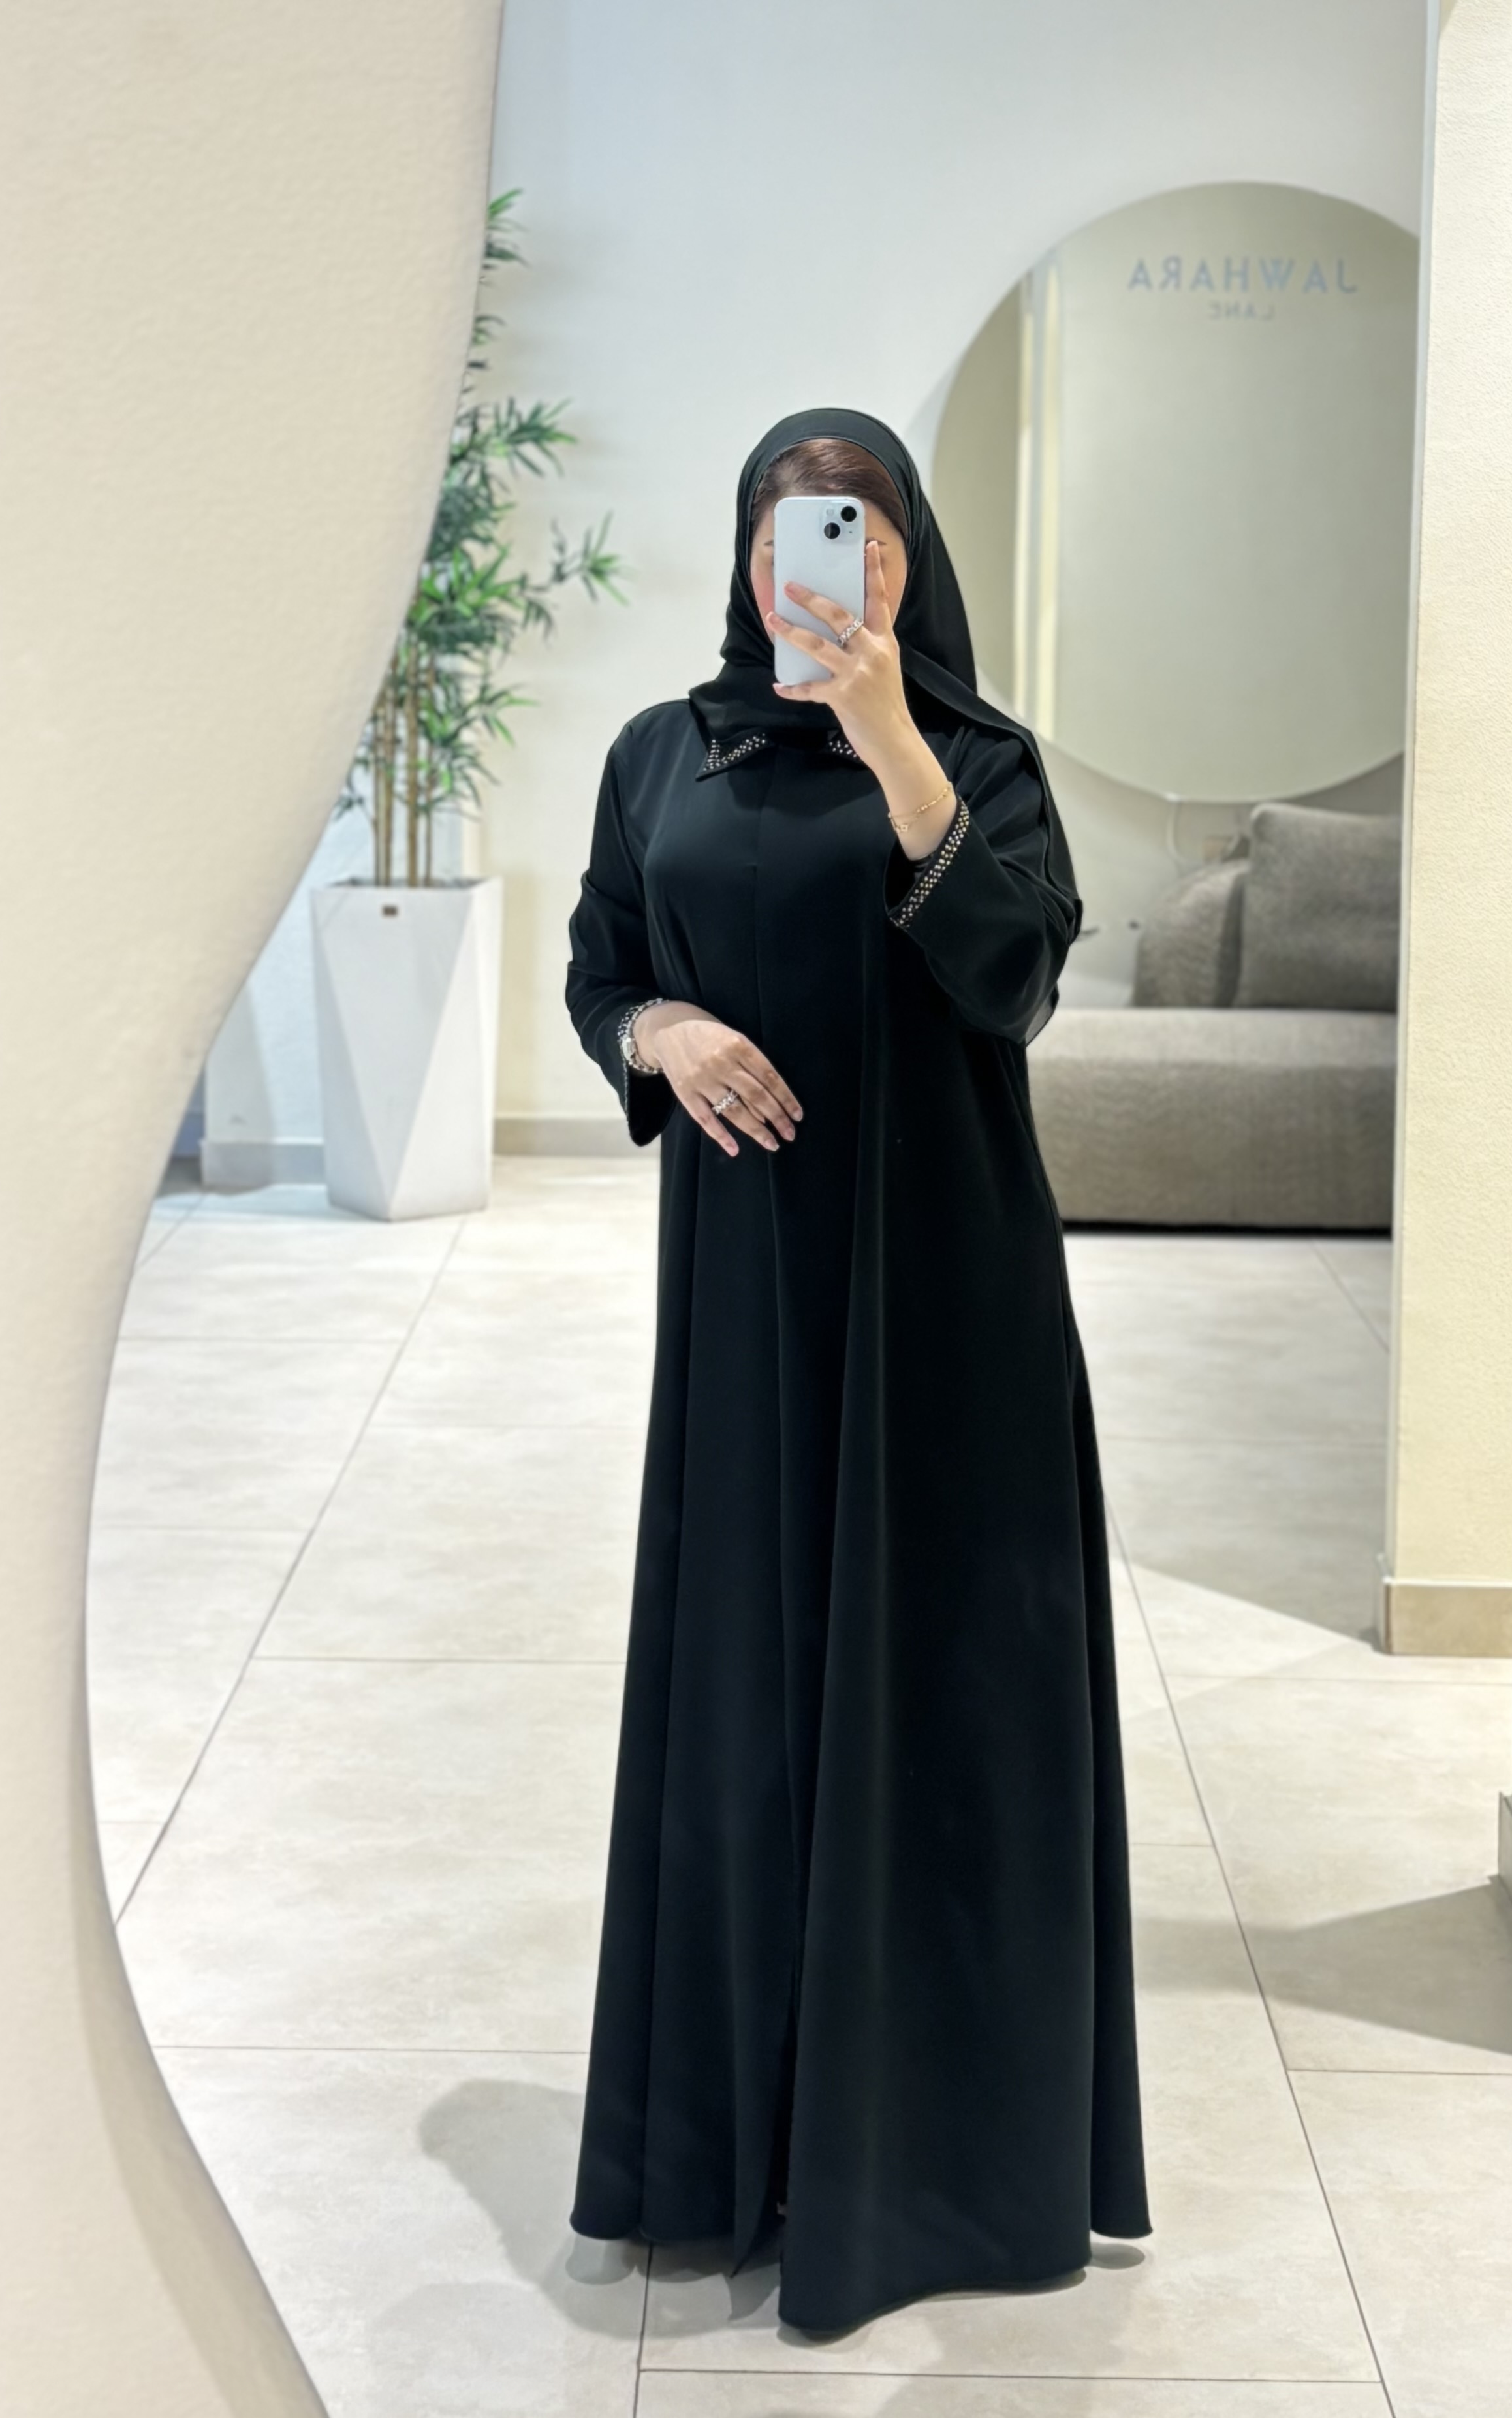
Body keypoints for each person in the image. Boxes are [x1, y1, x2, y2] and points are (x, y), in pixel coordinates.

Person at [564, 407, 1149, 2334]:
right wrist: (658, 1034)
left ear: (908, 554)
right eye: (792, 526)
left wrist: (895, 740)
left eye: (862, 526)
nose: (824, 558)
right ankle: (726, 2151)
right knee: (747, 1684)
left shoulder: (980, 761)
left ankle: (942, 2174)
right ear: (748, 553)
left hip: (948, 1297)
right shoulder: (661, 751)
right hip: (747, 1304)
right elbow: (598, 963)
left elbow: (1013, 979)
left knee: (945, 1695)